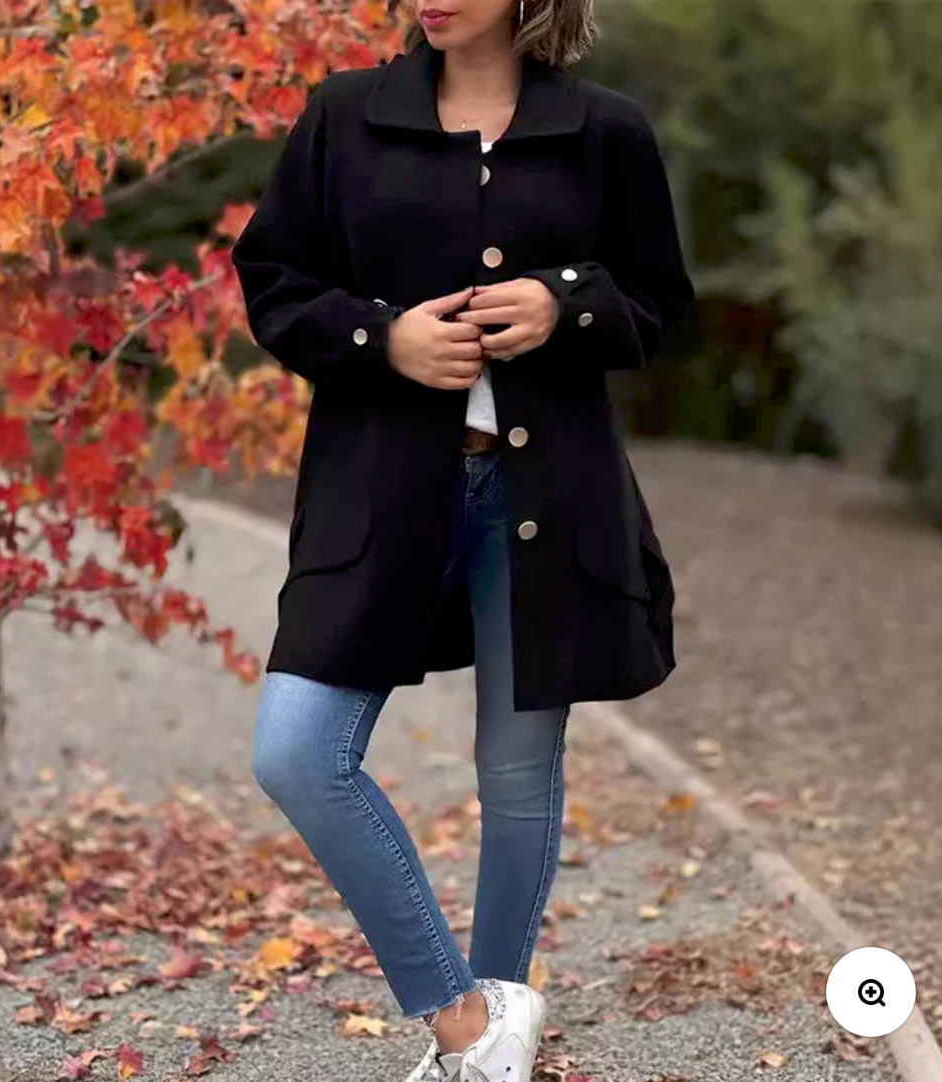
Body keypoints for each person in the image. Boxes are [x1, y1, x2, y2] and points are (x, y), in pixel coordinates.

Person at [231, 0, 694, 1077]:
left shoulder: (604, 129)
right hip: (377, 492)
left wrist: (564, 303)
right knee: (296, 751)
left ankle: (483, 1058)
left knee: (516, 769)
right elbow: (275, 281)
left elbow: (658, 301)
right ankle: (468, 1021)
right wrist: (379, 338)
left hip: (547, 496)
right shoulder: (345, 114)